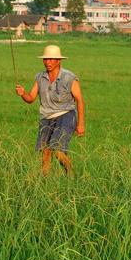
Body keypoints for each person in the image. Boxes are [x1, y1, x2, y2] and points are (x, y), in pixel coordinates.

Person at [15, 45, 85, 176]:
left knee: (58, 150)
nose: (48, 62)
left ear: (58, 61)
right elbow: (30, 98)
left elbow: (80, 100)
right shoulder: (40, 77)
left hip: (66, 115)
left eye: (51, 59)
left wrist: (80, 124)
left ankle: (71, 174)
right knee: (45, 153)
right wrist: (23, 93)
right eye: (46, 59)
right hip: (46, 117)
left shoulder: (69, 78)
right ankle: (44, 181)